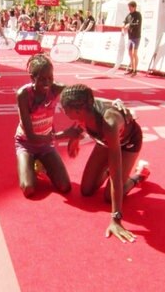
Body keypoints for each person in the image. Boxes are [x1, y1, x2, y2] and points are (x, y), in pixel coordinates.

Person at [60, 84, 150, 243]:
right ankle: (109, 171)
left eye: (65, 109)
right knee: (87, 190)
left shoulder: (109, 122)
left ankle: (139, 175)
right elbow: (80, 121)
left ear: (78, 110)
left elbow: (116, 175)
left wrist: (116, 219)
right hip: (105, 142)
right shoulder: (84, 107)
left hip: (128, 144)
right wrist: (74, 138)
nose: (63, 111)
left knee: (110, 196)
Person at [15, 54, 81, 198]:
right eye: (42, 79)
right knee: (28, 189)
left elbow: (82, 98)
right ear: (32, 77)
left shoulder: (56, 89)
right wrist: (64, 135)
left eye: (50, 78)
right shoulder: (23, 95)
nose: (47, 83)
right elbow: (31, 137)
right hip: (26, 143)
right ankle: (30, 161)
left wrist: (113, 103)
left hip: (45, 145)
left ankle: (42, 163)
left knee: (65, 187)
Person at [122, 1, 142, 76]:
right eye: (128, 7)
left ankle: (135, 70)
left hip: (136, 36)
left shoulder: (138, 15)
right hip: (130, 37)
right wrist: (124, 24)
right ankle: (131, 68)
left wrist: (129, 25)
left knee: (134, 53)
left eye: (130, 7)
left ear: (134, 7)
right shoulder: (128, 15)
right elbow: (125, 21)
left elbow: (137, 24)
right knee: (130, 53)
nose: (129, 9)